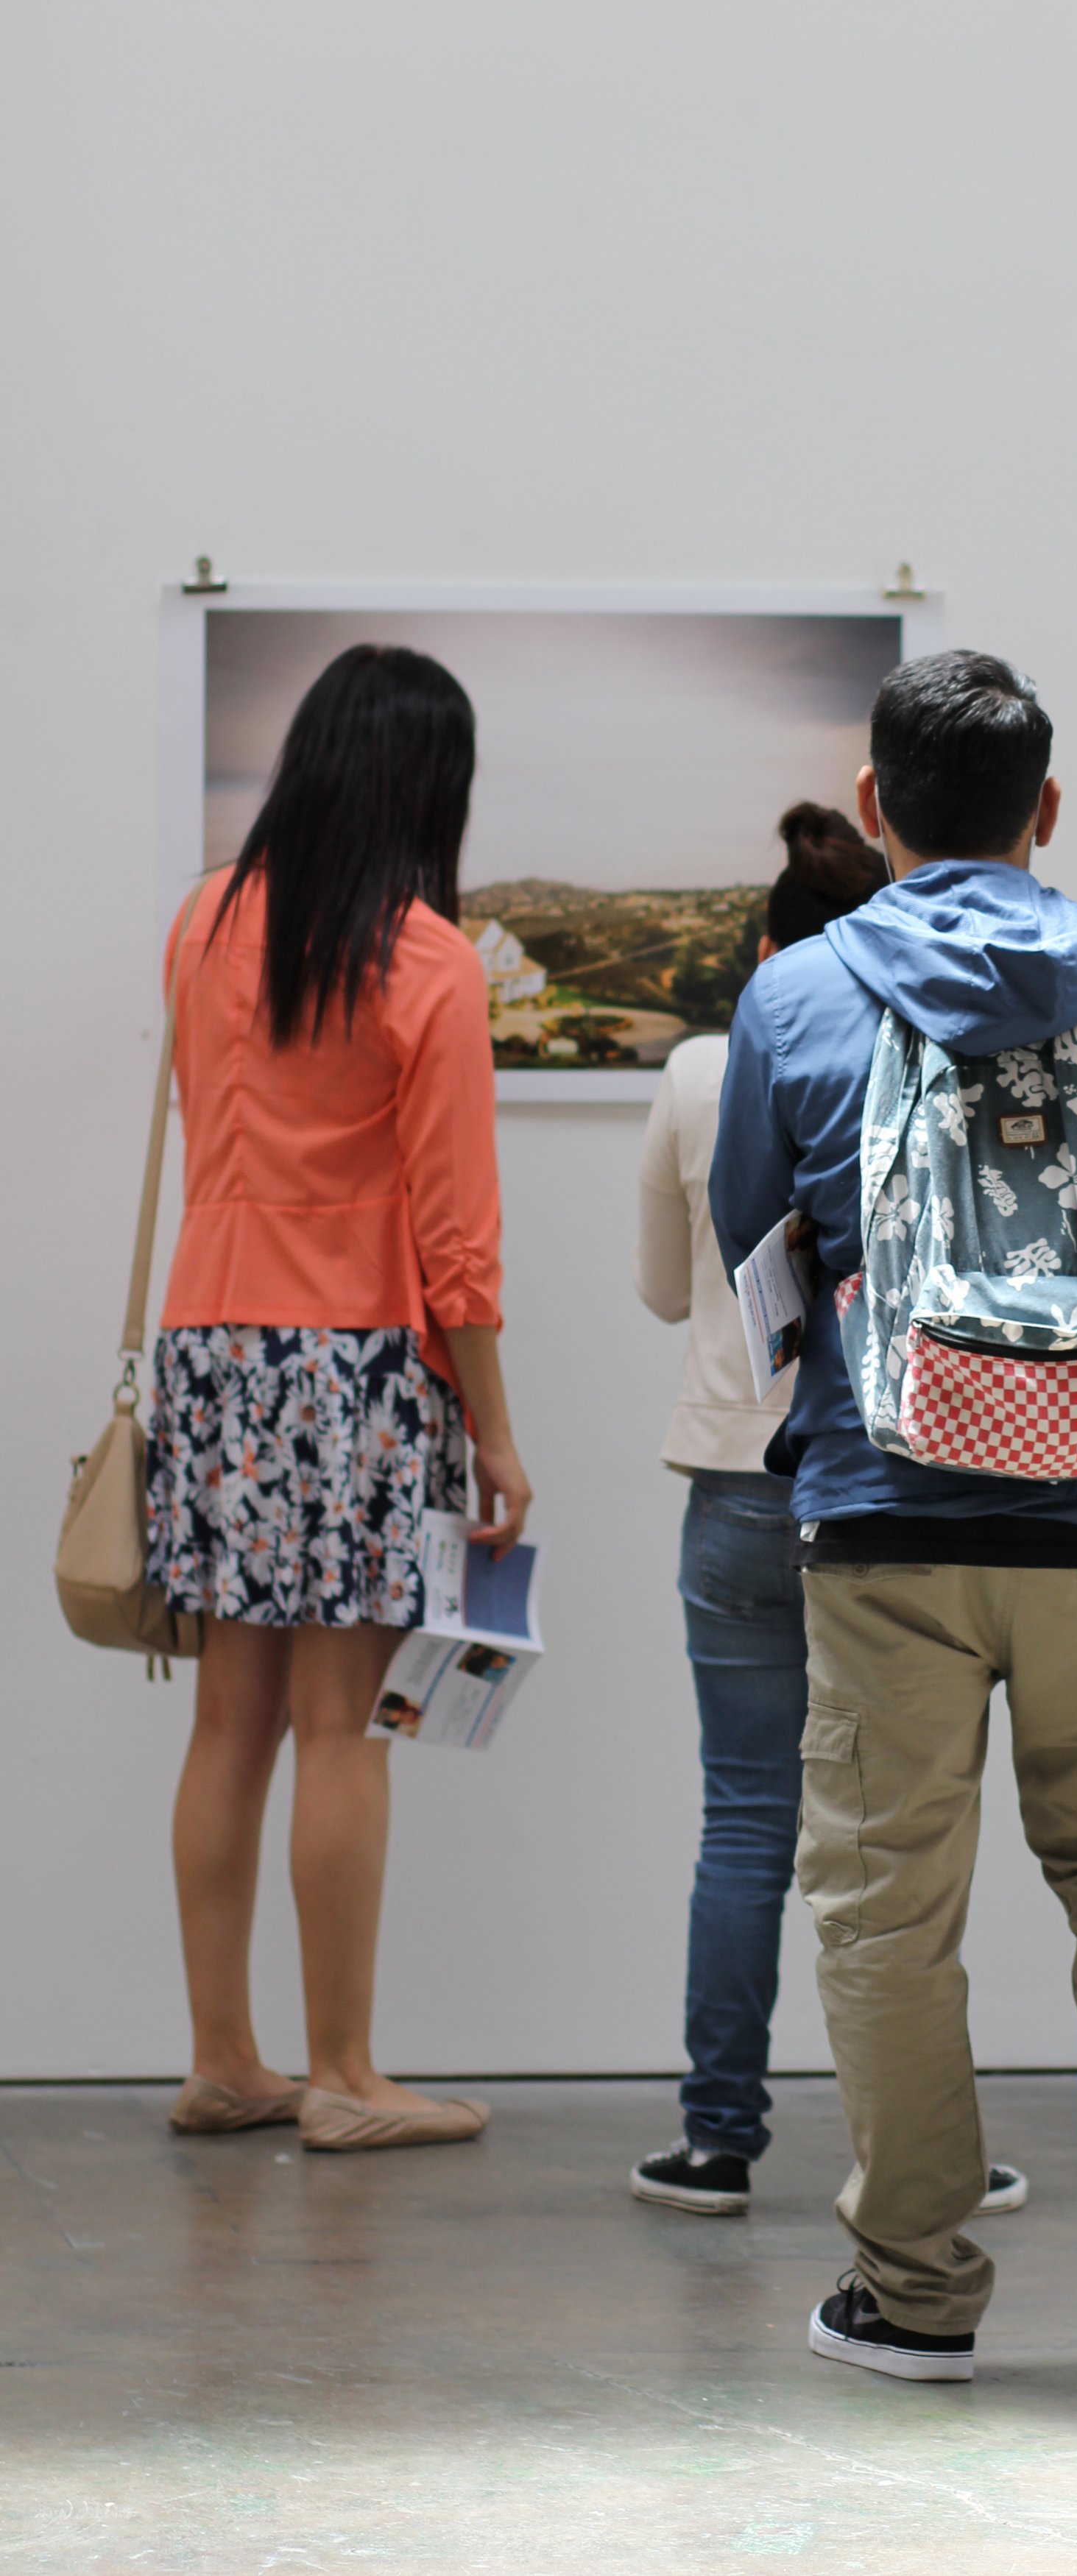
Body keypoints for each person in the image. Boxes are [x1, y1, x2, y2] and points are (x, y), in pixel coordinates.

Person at [711, 651, 1077, 2385]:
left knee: (887, 1901)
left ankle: (918, 2283)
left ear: (876, 807)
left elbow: (753, 1253)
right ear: (1046, 811)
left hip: (888, 1505)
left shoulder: (798, 997)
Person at [152, 645, 532, 2154]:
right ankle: (347, 2077)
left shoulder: (200, 920)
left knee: (228, 1724)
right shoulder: (424, 957)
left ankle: (221, 2058)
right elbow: (455, 1238)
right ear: (427, 783)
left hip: (210, 1345)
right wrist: (494, 1429)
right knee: (341, 1727)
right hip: (357, 1358)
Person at [629, 803, 1027, 2225]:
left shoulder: (695, 1068)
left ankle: (718, 2139)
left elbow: (671, 1290)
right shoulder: (926, 1045)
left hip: (737, 1478)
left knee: (745, 1820)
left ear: (760, 950)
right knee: (911, 1827)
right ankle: (938, 2152)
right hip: (890, 1475)